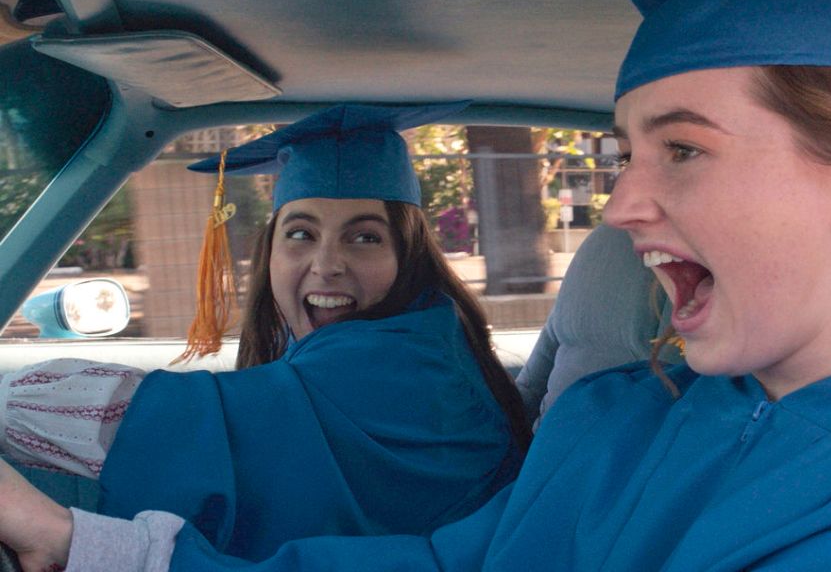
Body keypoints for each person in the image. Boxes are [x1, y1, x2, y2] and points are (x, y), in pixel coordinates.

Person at [3, 0, 831, 570]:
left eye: (681, 152)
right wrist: (76, 542)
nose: (621, 209)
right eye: (625, 153)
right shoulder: (620, 417)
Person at [0, 102, 530, 563]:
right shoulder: (435, 341)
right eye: (301, 233)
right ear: (270, 250)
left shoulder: (404, 372)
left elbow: (149, 422)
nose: (328, 264)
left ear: (407, 255)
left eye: (364, 237)